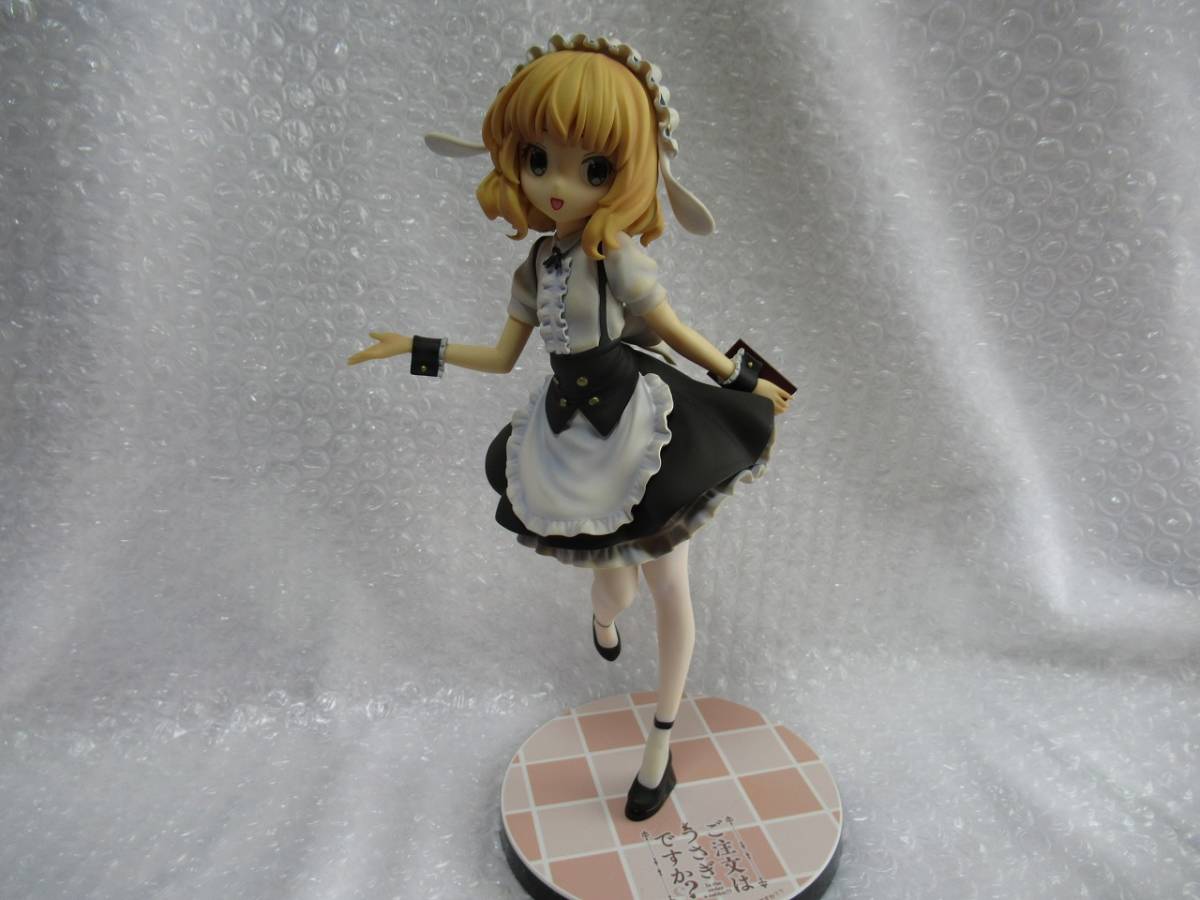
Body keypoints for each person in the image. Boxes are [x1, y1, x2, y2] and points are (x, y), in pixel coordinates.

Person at [348, 34, 792, 821]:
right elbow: (501, 357)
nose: (558, 185)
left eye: (591, 169)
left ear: (625, 175)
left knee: (671, 586)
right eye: (538, 159)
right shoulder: (534, 269)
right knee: (613, 581)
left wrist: (743, 379)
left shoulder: (617, 255)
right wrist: (414, 347)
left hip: (644, 425)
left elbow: (676, 330)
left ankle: (660, 747)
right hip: (569, 430)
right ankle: (603, 619)